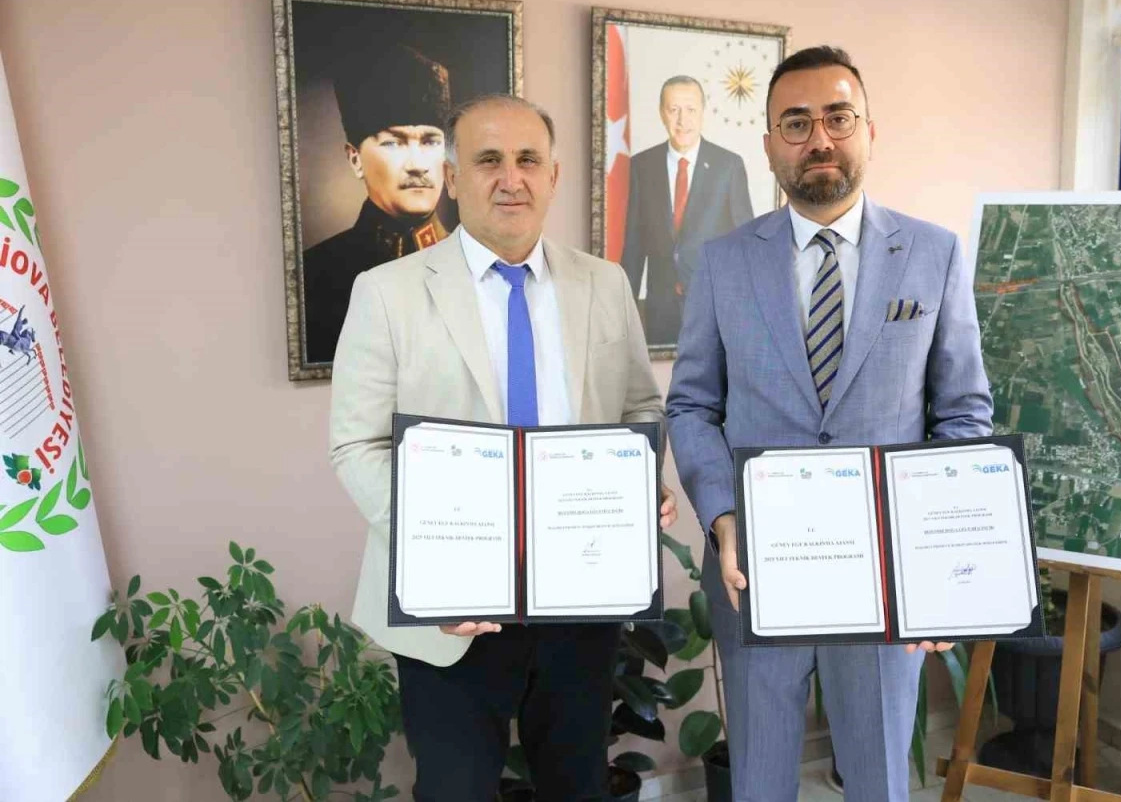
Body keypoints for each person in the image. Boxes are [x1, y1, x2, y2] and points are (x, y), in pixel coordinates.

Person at [665, 45, 994, 802]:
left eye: (838, 118)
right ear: (769, 145)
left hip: (886, 576)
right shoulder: (722, 262)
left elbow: (962, 413)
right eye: (796, 122)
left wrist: (942, 562)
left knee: (878, 777)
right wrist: (721, 514)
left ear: (869, 131)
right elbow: (692, 405)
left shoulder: (934, 255)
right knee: (760, 777)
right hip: (755, 568)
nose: (819, 138)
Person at [329, 94, 677, 802]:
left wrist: (639, 479)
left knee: (578, 786)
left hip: (580, 601)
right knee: (454, 791)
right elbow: (358, 446)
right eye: (488, 160)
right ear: (454, 178)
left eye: (527, 160)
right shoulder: (386, 292)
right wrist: (432, 556)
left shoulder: (605, 284)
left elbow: (640, 407)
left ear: (553, 175)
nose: (510, 179)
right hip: (450, 614)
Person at [303, 42, 453, 365]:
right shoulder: (313, 276)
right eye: (393, 143)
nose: (417, 165)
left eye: (430, 142)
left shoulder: (479, 265)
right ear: (355, 159)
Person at [620, 76, 753, 346]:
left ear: (703, 111)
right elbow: (633, 246)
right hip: (660, 310)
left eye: (691, 109)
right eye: (674, 110)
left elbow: (744, 244)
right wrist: (623, 311)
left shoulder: (728, 166)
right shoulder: (641, 167)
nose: (683, 120)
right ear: (662, 113)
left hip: (714, 307)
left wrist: (742, 307)